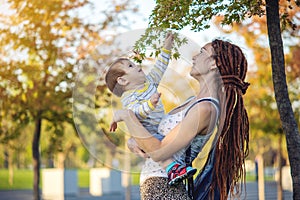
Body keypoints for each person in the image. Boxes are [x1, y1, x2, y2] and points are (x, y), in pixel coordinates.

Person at [110, 39, 250, 200]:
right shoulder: (192, 102)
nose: (194, 56)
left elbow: (159, 151)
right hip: (160, 187)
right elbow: (156, 140)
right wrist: (135, 141)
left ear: (213, 64)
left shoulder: (206, 109)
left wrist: (127, 116)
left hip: (166, 189)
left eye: (202, 52)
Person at [105, 32, 197, 186]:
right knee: (153, 148)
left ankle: (178, 167)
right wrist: (150, 104)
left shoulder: (149, 83)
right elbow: (135, 114)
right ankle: (172, 170)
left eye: (133, 63)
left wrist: (167, 46)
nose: (137, 65)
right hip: (147, 134)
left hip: (160, 129)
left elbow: (160, 65)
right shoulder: (128, 98)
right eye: (130, 66)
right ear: (123, 80)